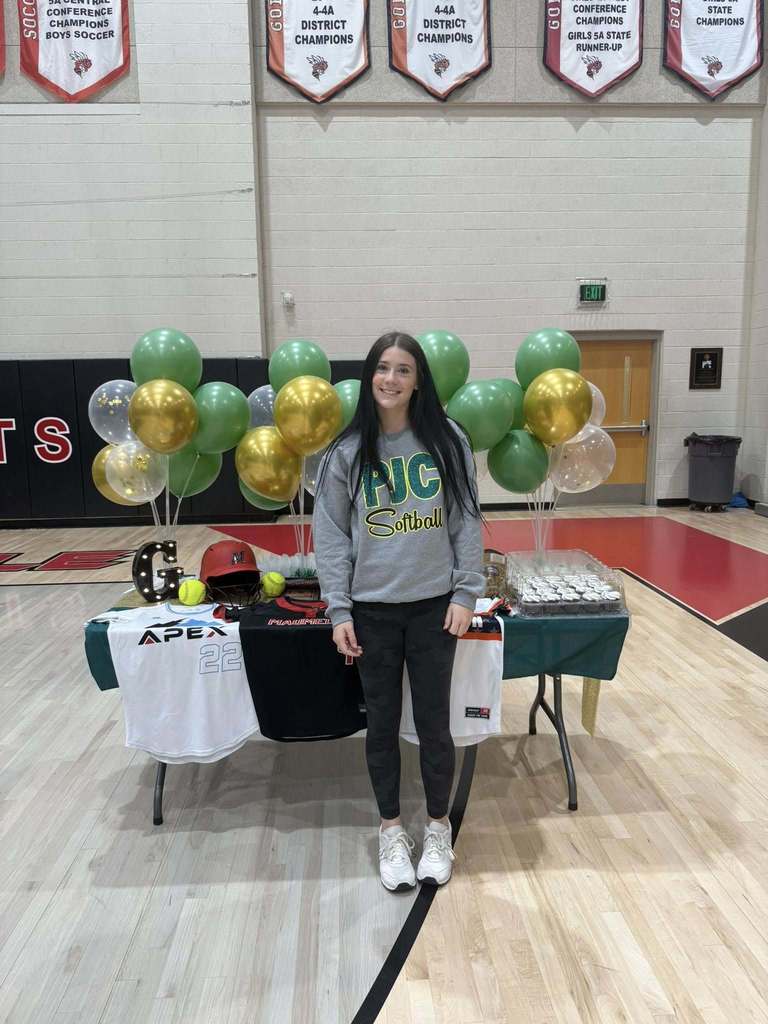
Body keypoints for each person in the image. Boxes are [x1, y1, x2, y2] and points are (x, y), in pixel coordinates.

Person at [313, 331, 484, 892]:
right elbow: (332, 537)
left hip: (435, 608)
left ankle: (437, 829)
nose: (390, 379)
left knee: (435, 726)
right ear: (370, 376)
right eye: (382, 368)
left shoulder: (446, 440)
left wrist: (465, 593)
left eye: (403, 369)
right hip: (372, 613)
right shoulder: (346, 452)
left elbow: (466, 520)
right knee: (382, 727)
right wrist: (339, 611)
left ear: (419, 380)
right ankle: (391, 831)